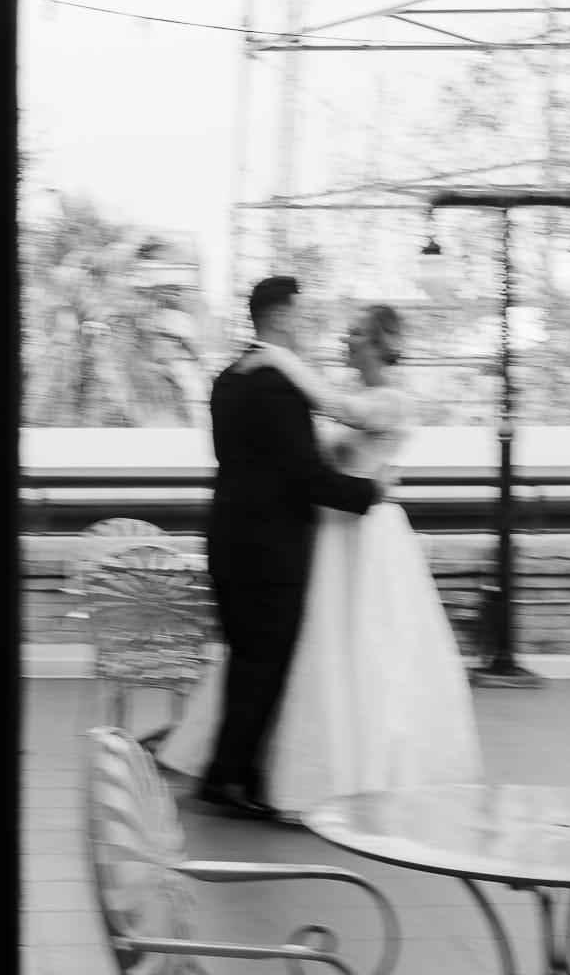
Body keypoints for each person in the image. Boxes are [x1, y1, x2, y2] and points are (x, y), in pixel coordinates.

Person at [159, 300, 484, 819]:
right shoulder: (353, 394)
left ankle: (348, 768)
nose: (345, 338)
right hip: (328, 532)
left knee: (364, 646)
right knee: (313, 646)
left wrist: (274, 358)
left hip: (368, 535)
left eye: (355, 332)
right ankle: (259, 766)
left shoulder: (393, 401)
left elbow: (339, 412)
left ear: (381, 343)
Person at [159, 277, 386, 820]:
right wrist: (368, 493)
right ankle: (229, 777)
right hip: (269, 546)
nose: (305, 325)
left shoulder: (226, 380)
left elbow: (243, 462)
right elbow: (300, 473)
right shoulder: (279, 386)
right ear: (280, 316)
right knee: (263, 660)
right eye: (300, 315)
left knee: (246, 657)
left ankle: (232, 770)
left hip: (229, 536)